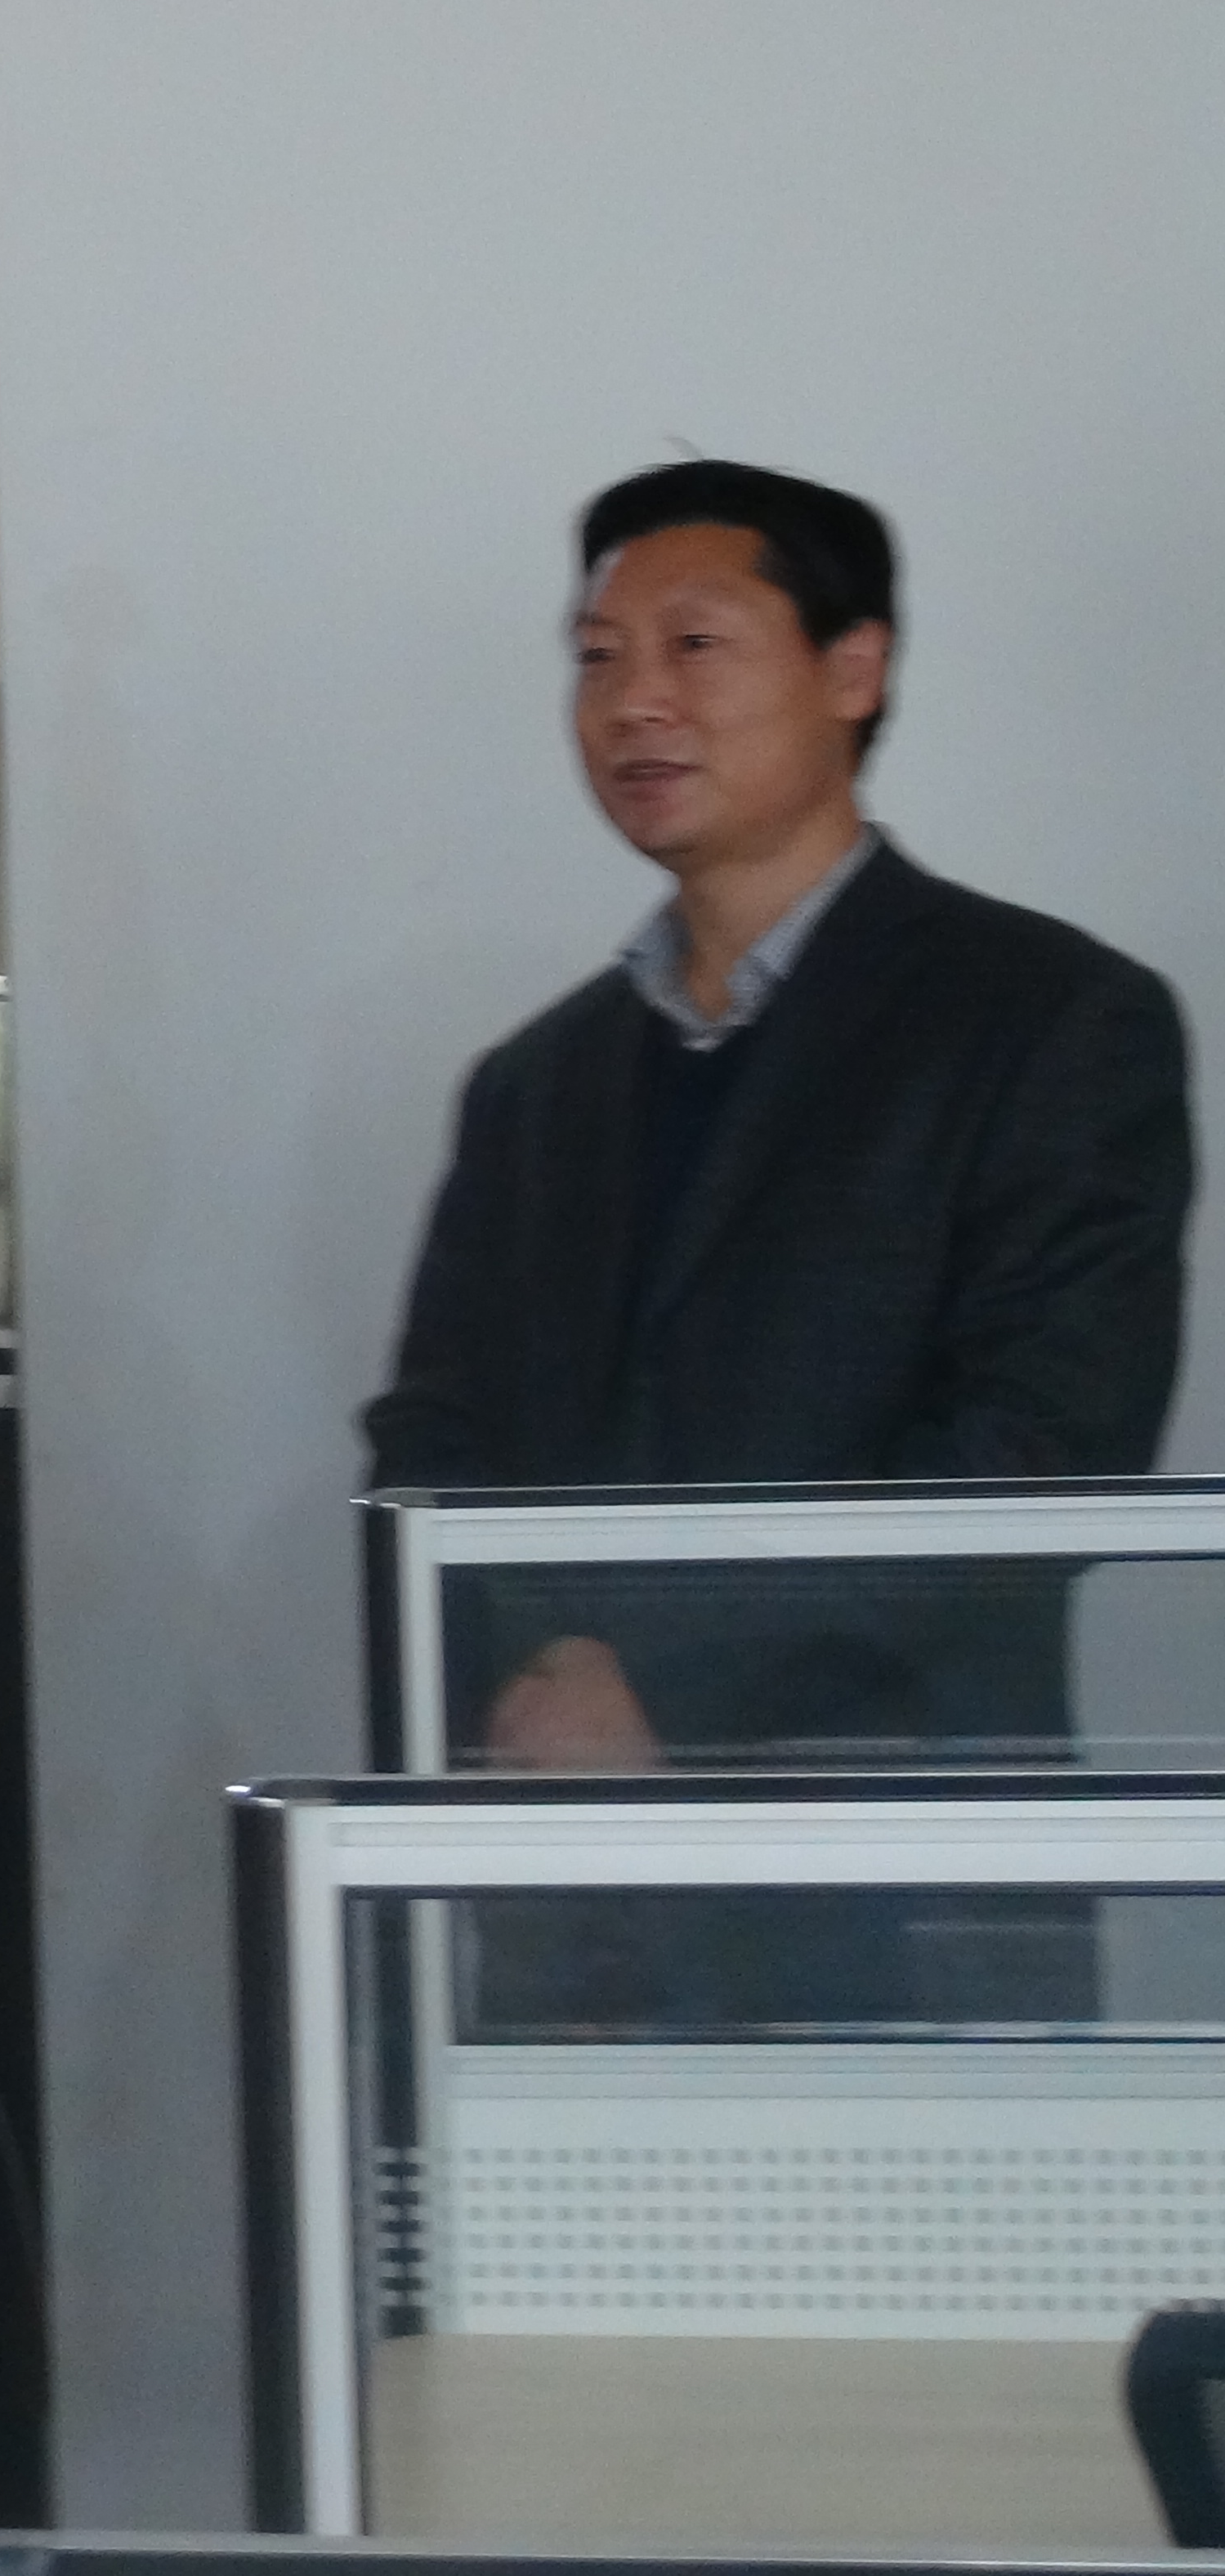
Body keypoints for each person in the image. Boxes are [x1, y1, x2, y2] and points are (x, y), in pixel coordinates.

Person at [367, 461, 1191, 2023]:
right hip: (568, 1905)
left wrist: (661, 1690)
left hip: (898, 1905)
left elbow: (1039, 1447)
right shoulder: (535, 1086)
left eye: (696, 645)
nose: (634, 702)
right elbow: (432, 1437)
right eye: (598, 657)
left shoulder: (1048, 1022)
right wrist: (530, 1688)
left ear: (853, 668)